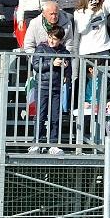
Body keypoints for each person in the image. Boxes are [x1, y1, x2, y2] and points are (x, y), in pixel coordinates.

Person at [29, 26, 71, 155]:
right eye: (50, 38)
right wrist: (51, 63)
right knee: (40, 116)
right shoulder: (41, 48)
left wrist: (66, 71)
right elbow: (36, 66)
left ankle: (53, 143)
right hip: (42, 86)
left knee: (55, 116)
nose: (52, 41)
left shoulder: (64, 52)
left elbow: (69, 71)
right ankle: (36, 143)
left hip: (57, 87)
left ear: (60, 40)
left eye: (55, 39)